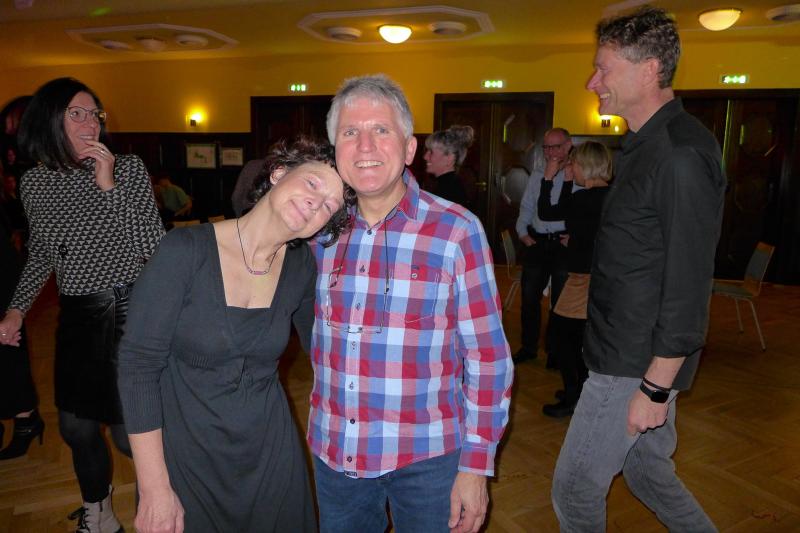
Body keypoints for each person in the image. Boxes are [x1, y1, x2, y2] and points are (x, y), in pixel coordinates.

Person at [117, 136, 353, 533]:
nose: (318, 203)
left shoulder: (300, 268)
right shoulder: (184, 250)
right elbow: (137, 367)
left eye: (331, 205)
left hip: (270, 455)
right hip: (187, 454)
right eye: (313, 183)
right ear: (279, 173)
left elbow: (327, 354)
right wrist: (154, 487)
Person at [310, 74, 513, 533]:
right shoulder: (315, 231)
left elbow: (488, 357)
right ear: (335, 151)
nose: (365, 145)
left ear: (408, 149)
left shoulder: (457, 230)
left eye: (381, 130)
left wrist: (475, 466)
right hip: (336, 453)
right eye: (350, 132)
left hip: (429, 459)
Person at [551, 7, 724, 531]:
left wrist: (654, 388)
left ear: (649, 70)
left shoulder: (679, 153)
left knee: (575, 490)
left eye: (603, 69)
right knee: (649, 474)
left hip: (634, 363)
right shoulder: (644, 145)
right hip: (624, 348)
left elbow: (689, 280)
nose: (592, 82)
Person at [0, 77, 164, 532]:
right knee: (75, 427)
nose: (90, 122)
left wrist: (108, 185)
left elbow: (152, 248)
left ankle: (167, 505)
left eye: (95, 114)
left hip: (129, 312)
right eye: (77, 113)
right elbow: (43, 252)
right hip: (77, 315)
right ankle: (100, 512)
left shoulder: (126, 169)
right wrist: (16, 309)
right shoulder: (35, 183)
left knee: (130, 435)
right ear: (50, 119)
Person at [537, 142, 611, 418]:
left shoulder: (584, 199)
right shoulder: (611, 196)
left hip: (583, 280)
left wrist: (549, 178)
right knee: (577, 338)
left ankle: (573, 398)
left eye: (574, 164)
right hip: (599, 277)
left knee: (562, 339)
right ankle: (579, 391)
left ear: (586, 166)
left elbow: (548, 212)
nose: (571, 168)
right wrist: (579, 241)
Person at [513, 127, 571, 365]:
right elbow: (527, 206)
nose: (549, 152)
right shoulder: (537, 174)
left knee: (560, 301)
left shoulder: (576, 174)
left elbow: (580, 211)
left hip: (563, 245)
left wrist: (574, 234)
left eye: (555, 147)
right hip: (537, 242)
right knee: (529, 298)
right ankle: (528, 347)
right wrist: (522, 232)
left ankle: (555, 351)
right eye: (546, 147)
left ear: (567, 146)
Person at [423, 124, 474, 206]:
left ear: (449, 158)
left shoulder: (449, 191)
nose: (425, 157)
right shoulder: (447, 185)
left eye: (431, 152)